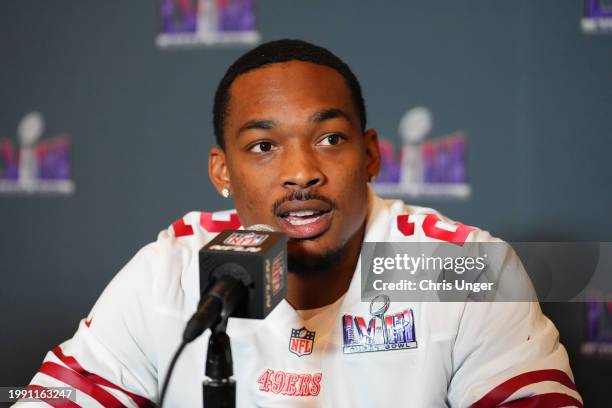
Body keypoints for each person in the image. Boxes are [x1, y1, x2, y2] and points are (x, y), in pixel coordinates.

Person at [17, 39, 582, 407]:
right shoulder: (172, 270)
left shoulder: (456, 271)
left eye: (330, 139)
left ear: (370, 156)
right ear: (223, 171)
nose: (301, 172)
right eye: (263, 146)